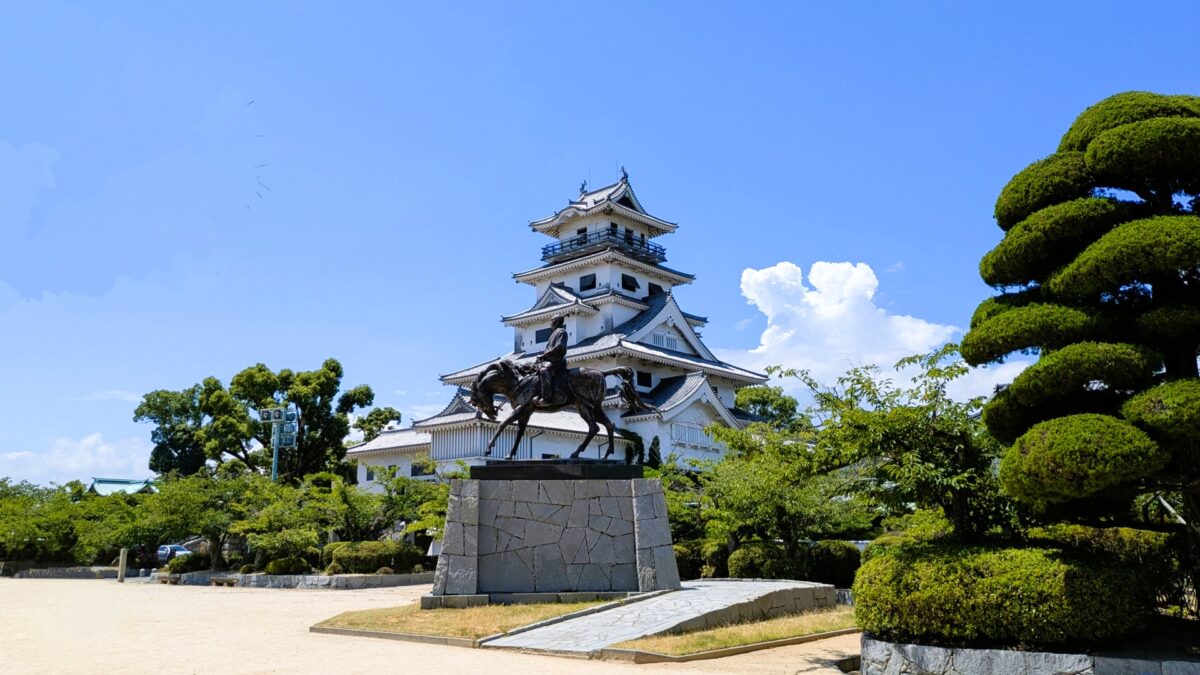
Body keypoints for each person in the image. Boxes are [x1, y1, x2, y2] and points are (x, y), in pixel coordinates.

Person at [533, 315, 569, 407]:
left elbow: (560, 347)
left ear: (556, 322)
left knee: (544, 371)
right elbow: (549, 349)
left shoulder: (562, 332)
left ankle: (546, 398)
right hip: (549, 361)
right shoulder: (554, 333)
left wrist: (544, 355)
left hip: (557, 362)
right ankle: (539, 393)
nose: (550, 323)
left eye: (552, 321)